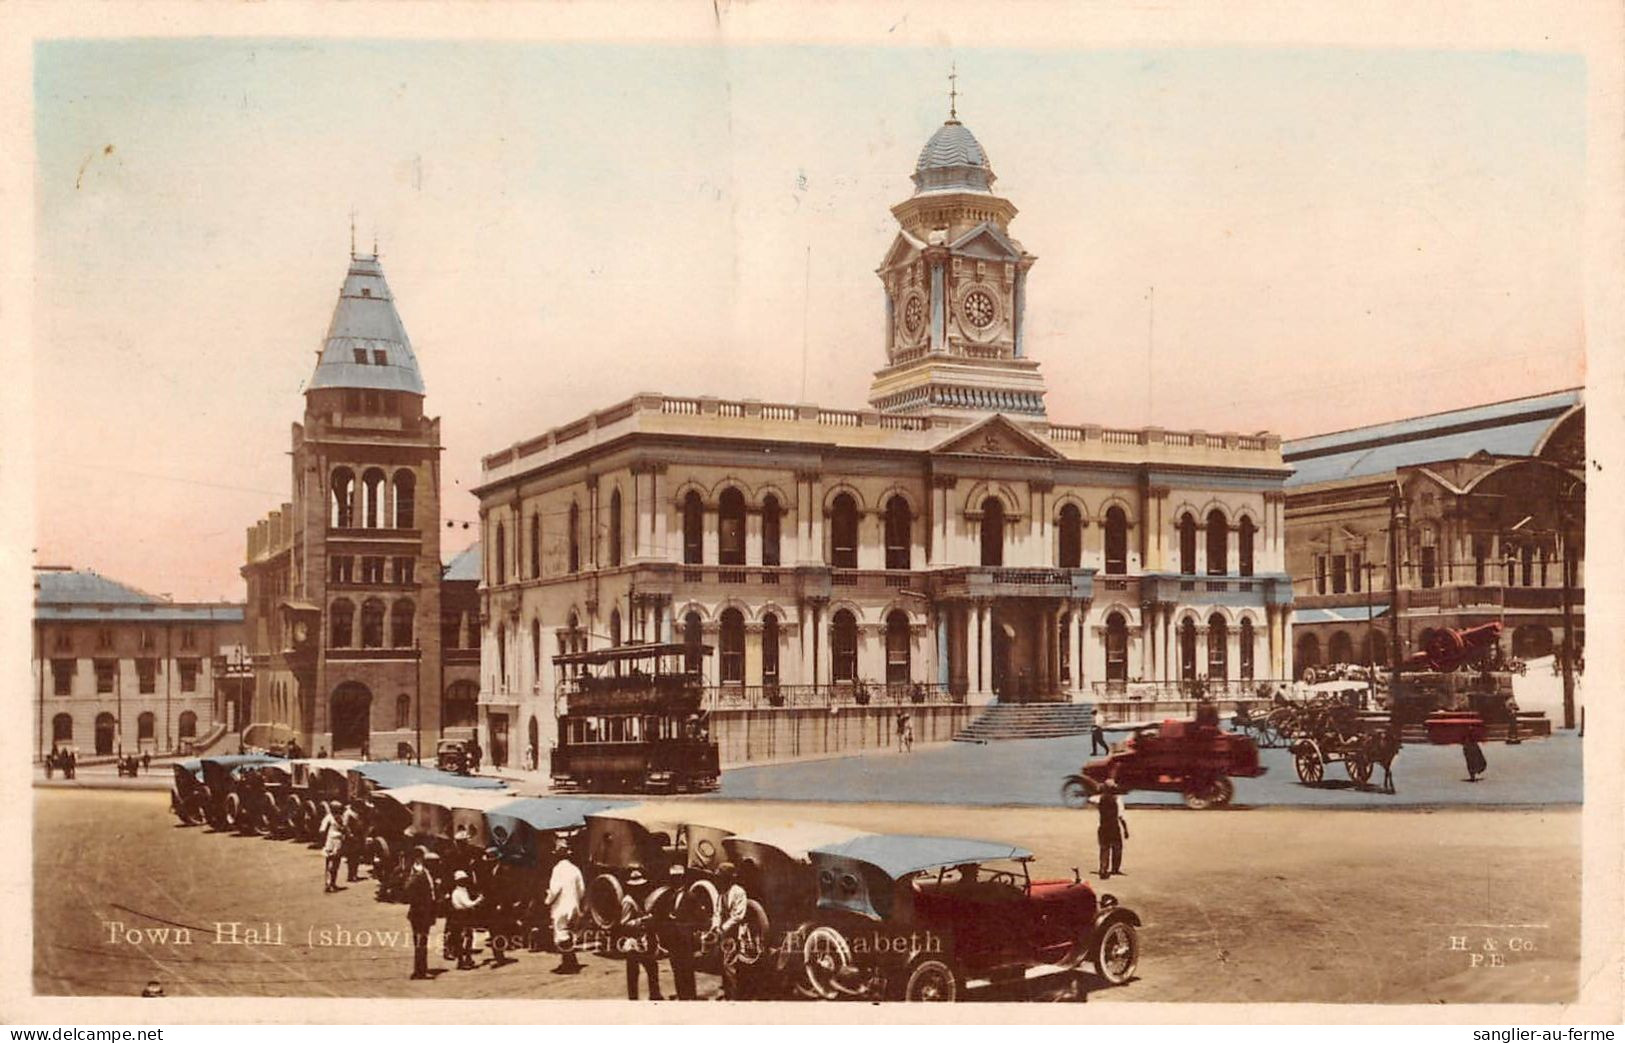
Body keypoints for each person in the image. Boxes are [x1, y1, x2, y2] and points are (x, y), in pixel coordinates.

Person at [652, 864, 698, 1000]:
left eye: (678, 878)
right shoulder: (669, 896)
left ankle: (691, 997)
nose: (675, 880)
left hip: (686, 940)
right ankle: (682, 996)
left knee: (688, 970)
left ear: (682, 879)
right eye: (673, 878)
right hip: (674, 941)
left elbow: (701, 921)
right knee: (677, 970)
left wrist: (683, 925)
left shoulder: (691, 897)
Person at [620, 868, 662, 1000]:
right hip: (633, 940)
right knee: (633, 971)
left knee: (652, 968)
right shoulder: (628, 901)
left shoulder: (645, 898)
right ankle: (633, 997)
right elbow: (624, 923)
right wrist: (641, 920)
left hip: (646, 938)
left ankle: (655, 994)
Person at [544, 840, 585, 974]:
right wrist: (577, 901)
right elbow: (582, 889)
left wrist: (547, 900)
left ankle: (568, 963)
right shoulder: (575, 869)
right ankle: (571, 961)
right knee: (570, 933)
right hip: (573, 906)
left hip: (561, 907)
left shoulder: (557, 869)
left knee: (561, 934)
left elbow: (555, 889)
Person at [712, 862, 749, 1000]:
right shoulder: (722, 893)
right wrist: (716, 927)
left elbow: (738, 916)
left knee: (729, 965)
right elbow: (717, 912)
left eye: (721, 877)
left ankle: (734, 996)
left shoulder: (738, 892)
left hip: (735, 933)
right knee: (723, 964)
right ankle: (727, 992)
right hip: (723, 932)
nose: (719, 880)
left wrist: (723, 928)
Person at [404, 849, 438, 980]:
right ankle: (420, 972)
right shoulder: (420, 876)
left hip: (424, 914)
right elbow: (409, 891)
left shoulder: (427, 875)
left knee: (421, 943)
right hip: (420, 914)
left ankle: (420, 970)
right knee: (421, 943)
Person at [447, 870, 483, 969]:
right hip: (461, 916)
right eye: (462, 880)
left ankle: (467, 958)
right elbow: (467, 904)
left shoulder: (463, 891)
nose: (464, 882)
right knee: (463, 939)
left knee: (468, 937)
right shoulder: (458, 892)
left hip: (464, 916)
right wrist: (478, 900)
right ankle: (462, 961)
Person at [1096, 779, 1127, 878]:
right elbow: (1121, 816)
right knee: (1117, 848)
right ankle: (1115, 869)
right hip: (1113, 827)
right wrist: (1125, 829)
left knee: (1104, 849)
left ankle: (1103, 868)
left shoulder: (1100, 799)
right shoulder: (1116, 800)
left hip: (1103, 827)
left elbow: (1091, 798)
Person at [319, 802, 346, 892]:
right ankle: (328, 883)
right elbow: (322, 830)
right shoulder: (328, 818)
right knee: (330, 864)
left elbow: (345, 829)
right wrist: (324, 842)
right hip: (331, 842)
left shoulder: (341, 818)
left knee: (336, 864)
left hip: (339, 842)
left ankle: (333, 883)